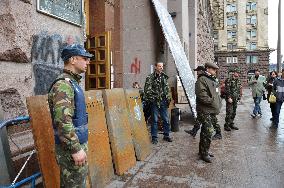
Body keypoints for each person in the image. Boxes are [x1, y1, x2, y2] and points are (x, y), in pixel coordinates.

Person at [48, 44, 92, 187]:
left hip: (76, 145)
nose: (88, 62)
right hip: (71, 150)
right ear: (73, 60)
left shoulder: (72, 83)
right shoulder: (63, 85)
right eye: (85, 58)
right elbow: (62, 121)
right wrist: (76, 149)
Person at [196, 62, 221, 163]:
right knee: (209, 131)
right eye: (213, 69)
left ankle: (203, 151)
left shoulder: (212, 79)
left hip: (211, 110)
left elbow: (216, 93)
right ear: (208, 69)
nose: (215, 71)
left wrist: (217, 102)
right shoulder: (202, 79)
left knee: (204, 131)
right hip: (204, 110)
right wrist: (213, 102)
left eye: (215, 70)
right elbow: (202, 96)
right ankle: (204, 153)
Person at [144, 62, 173, 144]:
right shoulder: (150, 77)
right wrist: (153, 99)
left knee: (166, 119)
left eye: (162, 66)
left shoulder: (164, 77)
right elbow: (147, 90)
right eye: (159, 66)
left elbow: (167, 90)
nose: (161, 68)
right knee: (155, 120)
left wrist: (168, 99)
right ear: (155, 67)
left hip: (163, 101)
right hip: (155, 101)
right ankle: (154, 137)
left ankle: (166, 135)